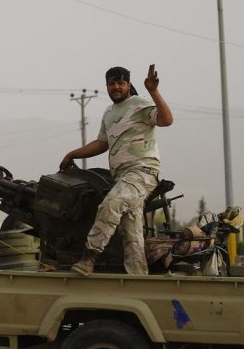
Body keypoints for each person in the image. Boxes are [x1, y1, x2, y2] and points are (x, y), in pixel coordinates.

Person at [59, 64, 173, 276]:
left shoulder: (140, 104)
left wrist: (153, 91)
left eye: (121, 83)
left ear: (128, 84)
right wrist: (72, 154)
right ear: (107, 86)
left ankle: (89, 257)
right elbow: (102, 143)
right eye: (112, 83)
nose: (116, 87)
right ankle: (139, 279)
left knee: (111, 204)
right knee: (131, 232)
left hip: (143, 171)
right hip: (122, 176)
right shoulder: (109, 112)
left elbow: (166, 120)